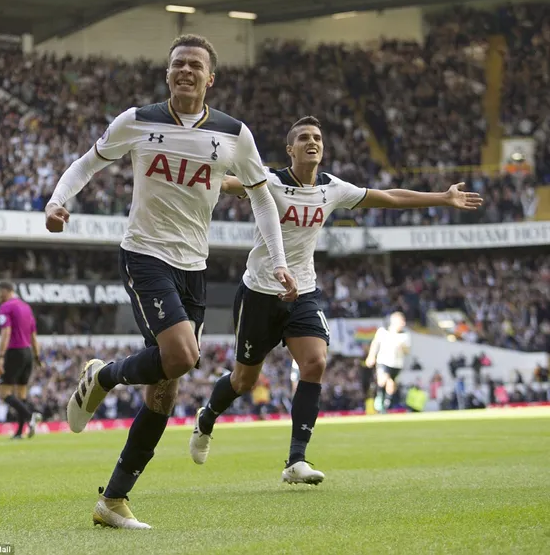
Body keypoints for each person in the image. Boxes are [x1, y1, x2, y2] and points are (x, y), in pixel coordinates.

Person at [44, 34, 297, 530]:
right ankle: (104, 376)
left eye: (195, 65)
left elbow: (262, 198)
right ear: (168, 74)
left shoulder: (233, 134)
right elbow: (88, 162)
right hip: (145, 256)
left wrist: (280, 259)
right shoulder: (137, 120)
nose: (185, 71)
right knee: (182, 356)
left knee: (164, 393)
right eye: (177, 64)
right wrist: (58, 200)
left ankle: (112, 500)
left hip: (194, 266)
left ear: (210, 78)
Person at [190, 116, 482, 484]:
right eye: (304, 138)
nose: (313, 142)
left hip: (304, 291)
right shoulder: (269, 182)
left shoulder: (333, 188)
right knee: (244, 381)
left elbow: (388, 197)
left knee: (315, 363)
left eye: (318, 138)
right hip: (260, 293)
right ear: (289, 149)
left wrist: (443, 197)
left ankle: (296, 461)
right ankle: (206, 419)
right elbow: (226, 183)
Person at [0, 280, 42, 439]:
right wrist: (36, 355)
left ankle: (30, 415)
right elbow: (33, 335)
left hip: (14, 351)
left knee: (3, 393)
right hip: (28, 352)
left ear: (6, 291)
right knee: (21, 394)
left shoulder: (6, 307)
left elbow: (6, 332)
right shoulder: (26, 307)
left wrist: (1, 356)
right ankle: (20, 432)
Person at [365, 312, 411, 413]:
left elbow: (407, 351)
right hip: (383, 361)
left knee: (391, 385)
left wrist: (402, 347)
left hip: (397, 364)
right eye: (401, 321)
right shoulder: (383, 332)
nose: (403, 324)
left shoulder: (404, 336)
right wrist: (371, 356)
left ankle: (385, 405)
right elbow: (375, 344)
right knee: (383, 379)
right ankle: (379, 399)